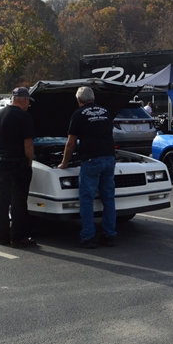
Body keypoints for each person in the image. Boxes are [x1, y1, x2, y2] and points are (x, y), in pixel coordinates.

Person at [58, 86, 116, 249]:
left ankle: (88, 237)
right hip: (109, 158)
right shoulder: (105, 112)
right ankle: (109, 235)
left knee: (86, 199)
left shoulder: (78, 114)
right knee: (108, 198)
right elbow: (109, 135)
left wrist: (64, 162)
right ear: (93, 98)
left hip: (91, 159)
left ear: (78, 100)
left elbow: (71, 143)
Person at [0, 87, 37, 248]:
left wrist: (2, 153)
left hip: (2, 162)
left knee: (3, 200)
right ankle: (18, 237)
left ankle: (2, 236)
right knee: (19, 201)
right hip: (19, 163)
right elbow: (28, 143)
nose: (28, 105)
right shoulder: (24, 116)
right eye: (28, 102)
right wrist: (29, 162)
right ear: (24, 100)